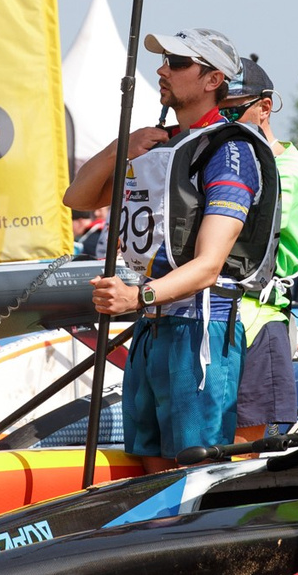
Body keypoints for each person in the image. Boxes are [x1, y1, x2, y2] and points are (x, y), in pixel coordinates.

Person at [65, 28, 280, 466]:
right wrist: (118, 150)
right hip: (152, 324)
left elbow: (207, 266)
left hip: (200, 326)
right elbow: (77, 199)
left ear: (212, 79)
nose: (162, 70)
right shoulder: (160, 142)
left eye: (178, 63)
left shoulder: (230, 149)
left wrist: (133, 296)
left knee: (191, 469)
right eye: (164, 60)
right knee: (148, 466)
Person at [222, 58, 298, 446]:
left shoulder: (288, 168)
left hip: (259, 318)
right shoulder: (222, 157)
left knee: (245, 449)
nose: (226, 121)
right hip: (219, 315)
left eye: (235, 111)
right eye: (220, 112)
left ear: (264, 106)